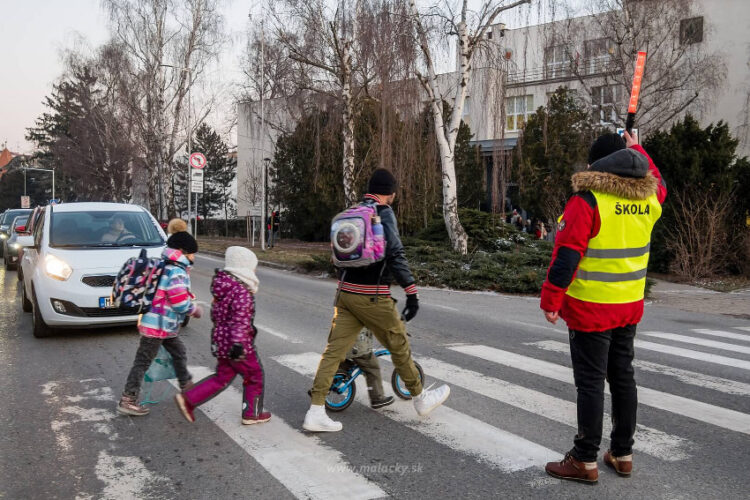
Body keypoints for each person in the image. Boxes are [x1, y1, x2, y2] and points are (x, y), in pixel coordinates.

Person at [541, 131, 666, 483]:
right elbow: (659, 179)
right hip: (628, 305)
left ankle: (584, 459)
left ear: (595, 164)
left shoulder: (589, 200)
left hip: (591, 308)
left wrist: (552, 300)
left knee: (591, 383)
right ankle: (623, 453)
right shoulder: (651, 197)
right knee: (623, 377)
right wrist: (638, 147)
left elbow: (567, 255)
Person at [303, 168, 450, 432]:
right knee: (399, 344)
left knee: (333, 352)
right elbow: (395, 252)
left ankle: (315, 411)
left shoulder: (353, 211)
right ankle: (420, 398)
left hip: (345, 293)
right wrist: (411, 290)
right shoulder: (383, 213)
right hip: (372, 295)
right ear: (390, 193)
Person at [175, 246, 270, 425]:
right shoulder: (241, 291)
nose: (255, 270)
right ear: (244, 268)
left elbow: (217, 316)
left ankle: (189, 399)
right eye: (253, 266)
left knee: (222, 377)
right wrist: (239, 344)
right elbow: (240, 320)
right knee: (255, 376)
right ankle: (252, 413)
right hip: (239, 346)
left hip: (222, 342)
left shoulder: (224, 288)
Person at [117, 231, 203, 416]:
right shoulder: (177, 270)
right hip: (158, 326)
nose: (193, 257)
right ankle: (128, 399)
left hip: (164, 326)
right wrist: (194, 310)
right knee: (143, 362)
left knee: (179, 352)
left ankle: (187, 387)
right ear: (182, 251)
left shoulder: (165, 264)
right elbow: (179, 302)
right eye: (191, 253)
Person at [340, 329, 394, 408]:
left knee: (348, 362)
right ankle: (377, 398)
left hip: (343, 340)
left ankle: (330, 383)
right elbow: (381, 322)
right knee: (372, 368)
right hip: (356, 345)